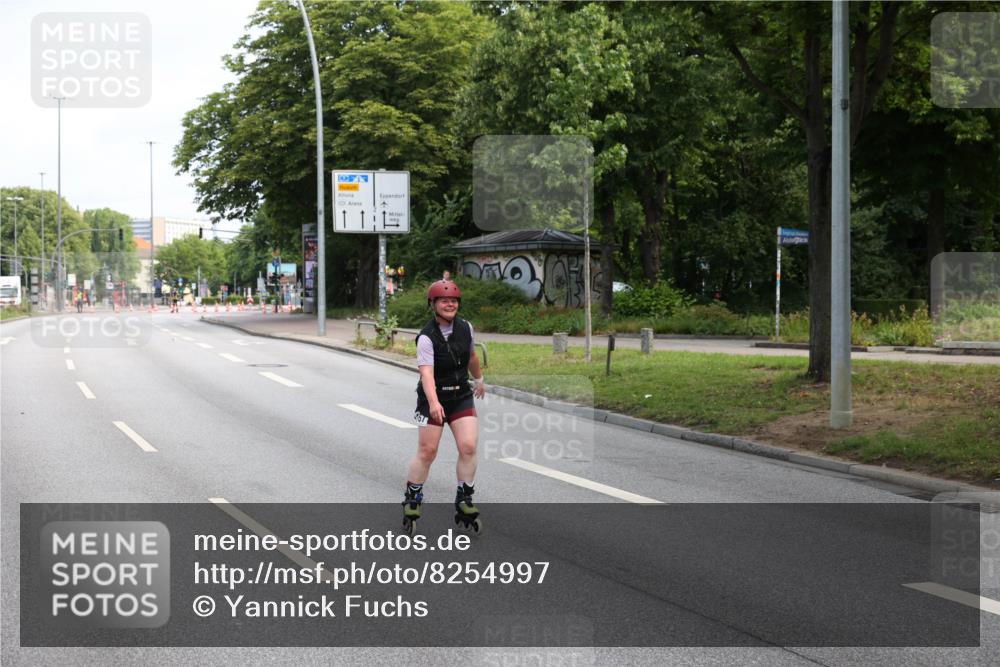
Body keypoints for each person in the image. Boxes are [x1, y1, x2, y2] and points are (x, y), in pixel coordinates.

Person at [402, 280, 486, 534]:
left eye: (454, 301)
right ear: (433, 305)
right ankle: (413, 498)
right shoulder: (426, 338)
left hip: (460, 394)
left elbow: (471, 356)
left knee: (468, 446)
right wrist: (434, 402)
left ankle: (464, 499)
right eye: (444, 301)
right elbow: (426, 375)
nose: (450, 304)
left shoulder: (466, 328)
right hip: (433, 398)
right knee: (428, 451)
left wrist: (479, 379)